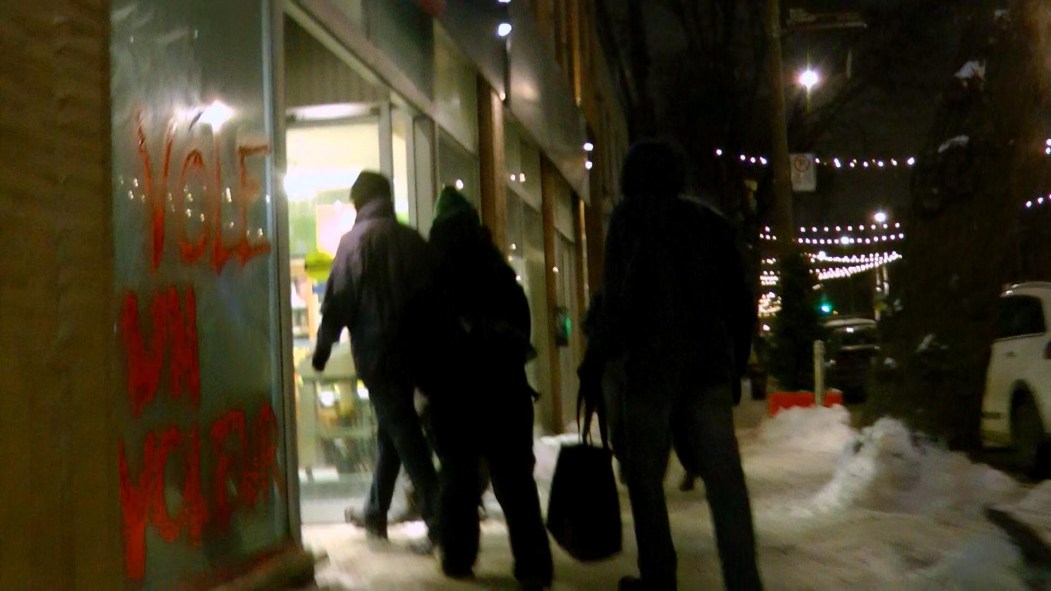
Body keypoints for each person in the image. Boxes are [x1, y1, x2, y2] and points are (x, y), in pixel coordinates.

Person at [591, 140, 762, 590]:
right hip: (707, 367)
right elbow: (741, 301)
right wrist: (736, 359)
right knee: (726, 482)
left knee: (647, 481)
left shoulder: (628, 220)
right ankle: (744, 580)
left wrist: (601, 359)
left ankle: (659, 576)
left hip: (649, 369)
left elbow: (616, 299)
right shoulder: (710, 222)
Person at [422, 187, 553, 589]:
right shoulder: (498, 272)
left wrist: (429, 386)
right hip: (503, 392)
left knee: (458, 481)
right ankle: (534, 566)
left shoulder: (434, 277)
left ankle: (458, 558)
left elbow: (420, 339)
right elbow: (520, 328)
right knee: (515, 482)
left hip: (453, 397)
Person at [312, 171, 440, 547]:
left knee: (403, 432)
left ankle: (441, 518)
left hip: (378, 355)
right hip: (416, 354)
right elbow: (436, 300)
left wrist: (322, 349)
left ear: (359, 202)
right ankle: (375, 511)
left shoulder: (355, 243)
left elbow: (338, 302)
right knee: (393, 430)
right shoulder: (412, 240)